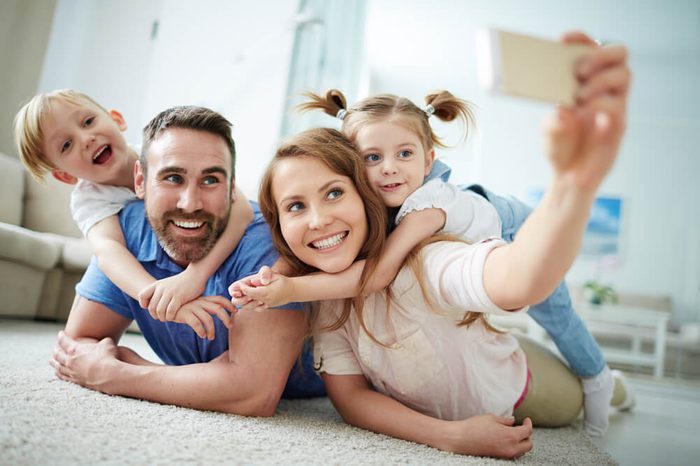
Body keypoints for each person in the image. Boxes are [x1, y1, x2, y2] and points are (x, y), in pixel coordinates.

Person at [233, 34, 632, 457]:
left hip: (516, 375)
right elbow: (349, 397)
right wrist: (448, 436)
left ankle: (612, 384)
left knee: (568, 348)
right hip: (475, 338)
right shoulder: (330, 290)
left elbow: (516, 279)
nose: (318, 220)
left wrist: (571, 184)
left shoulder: (427, 238)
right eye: (297, 205)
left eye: (333, 193)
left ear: (425, 161)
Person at [48, 105, 325, 414]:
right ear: (140, 181)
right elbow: (76, 346)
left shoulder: (267, 244)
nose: (190, 203)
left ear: (232, 187)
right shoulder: (122, 235)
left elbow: (253, 391)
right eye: (172, 178)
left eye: (210, 181)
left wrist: (118, 374)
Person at [14, 90, 254, 338]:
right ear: (65, 175)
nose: (86, 139)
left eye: (88, 122)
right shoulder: (89, 198)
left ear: (117, 119)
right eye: (66, 145)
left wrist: (195, 276)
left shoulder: (160, 152)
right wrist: (160, 299)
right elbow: (108, 251)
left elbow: (243, 207)